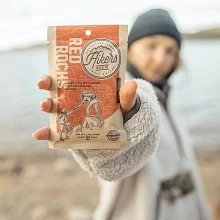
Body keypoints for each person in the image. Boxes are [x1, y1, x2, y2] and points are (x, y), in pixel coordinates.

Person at [33, 9, 213, 220]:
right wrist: (128, 117)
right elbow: (112, 164)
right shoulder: (116, 95)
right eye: (151, 46)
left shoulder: (167, 95)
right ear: (129, 47)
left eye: (170, 51)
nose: (160, 59)